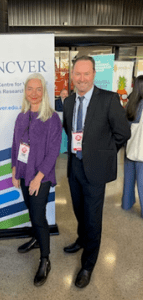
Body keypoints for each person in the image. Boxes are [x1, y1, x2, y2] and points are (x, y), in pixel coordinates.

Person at [63, 56, 131, 288]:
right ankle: (82, 240)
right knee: (79, 209)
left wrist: (104, 153)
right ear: (73, 76)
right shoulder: (70, 102)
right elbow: (69, 130)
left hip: (96, 170)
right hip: (75, 167)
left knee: (93, 218)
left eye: (86, 73)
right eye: (77, 74)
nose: (82, 78)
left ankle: (88, 264)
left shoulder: (109, 99)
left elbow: (123, 133)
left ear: (93, 74)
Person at [11, 73, 62, 287]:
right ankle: (35, 238)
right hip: (23, 172)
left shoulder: (52, 118)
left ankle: (45, 259)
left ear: (44, 91)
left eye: (38, 89)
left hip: (41, 175)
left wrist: (38, 178)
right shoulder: (22, 116)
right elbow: (15, 145)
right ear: (25, 91)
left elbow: (53, 152)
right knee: (31, 210)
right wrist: (15, 171)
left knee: (39, 216)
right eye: (29, 89)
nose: (33, 93)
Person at [122, 75, 143, 217]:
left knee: (128, 178)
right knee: (142, 182)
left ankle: (127, 203)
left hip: (130, 148)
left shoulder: (130, 105)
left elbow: (125, 128)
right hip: (142, 152)